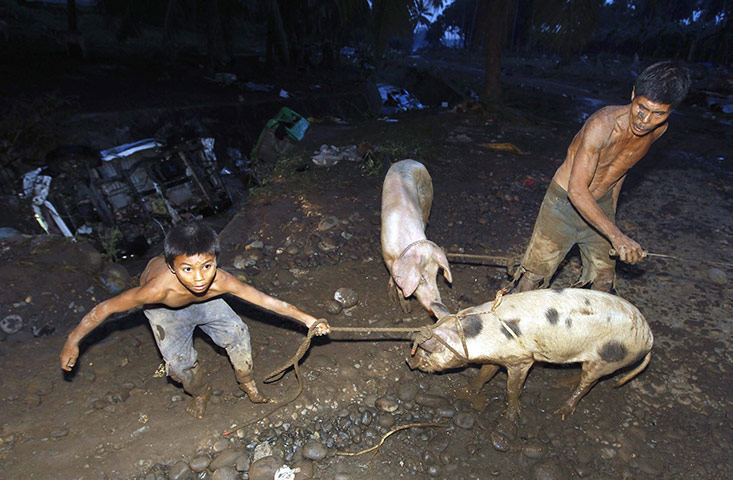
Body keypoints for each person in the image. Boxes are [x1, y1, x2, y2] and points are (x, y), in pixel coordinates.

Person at [60, 221, 330, 419]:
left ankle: (246, 381)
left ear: (216, 261)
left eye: (207, 266)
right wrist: (73, 341)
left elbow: (267, 302)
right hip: (164, 309)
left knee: (237, 333)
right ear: (172, 267)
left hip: (206, 303)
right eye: (187, 269)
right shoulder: (155, 289)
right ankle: (201, 392)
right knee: (179, 366)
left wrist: (309, 320)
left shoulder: (218, 282)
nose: (199, 278)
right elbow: (105, 308)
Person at [514, 60, 691, 292]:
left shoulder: (658, 130)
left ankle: (591, 327)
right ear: (633, 94)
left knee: (603, 280)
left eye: (658, 113)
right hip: (564, 201)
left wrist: (610, 212)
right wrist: (617, 236)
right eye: (642, 108)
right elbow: (577, 190)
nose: (644, 120)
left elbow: (622, 169)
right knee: (533, 277)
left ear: (670, 113)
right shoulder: (602, 125)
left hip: (602, 202)